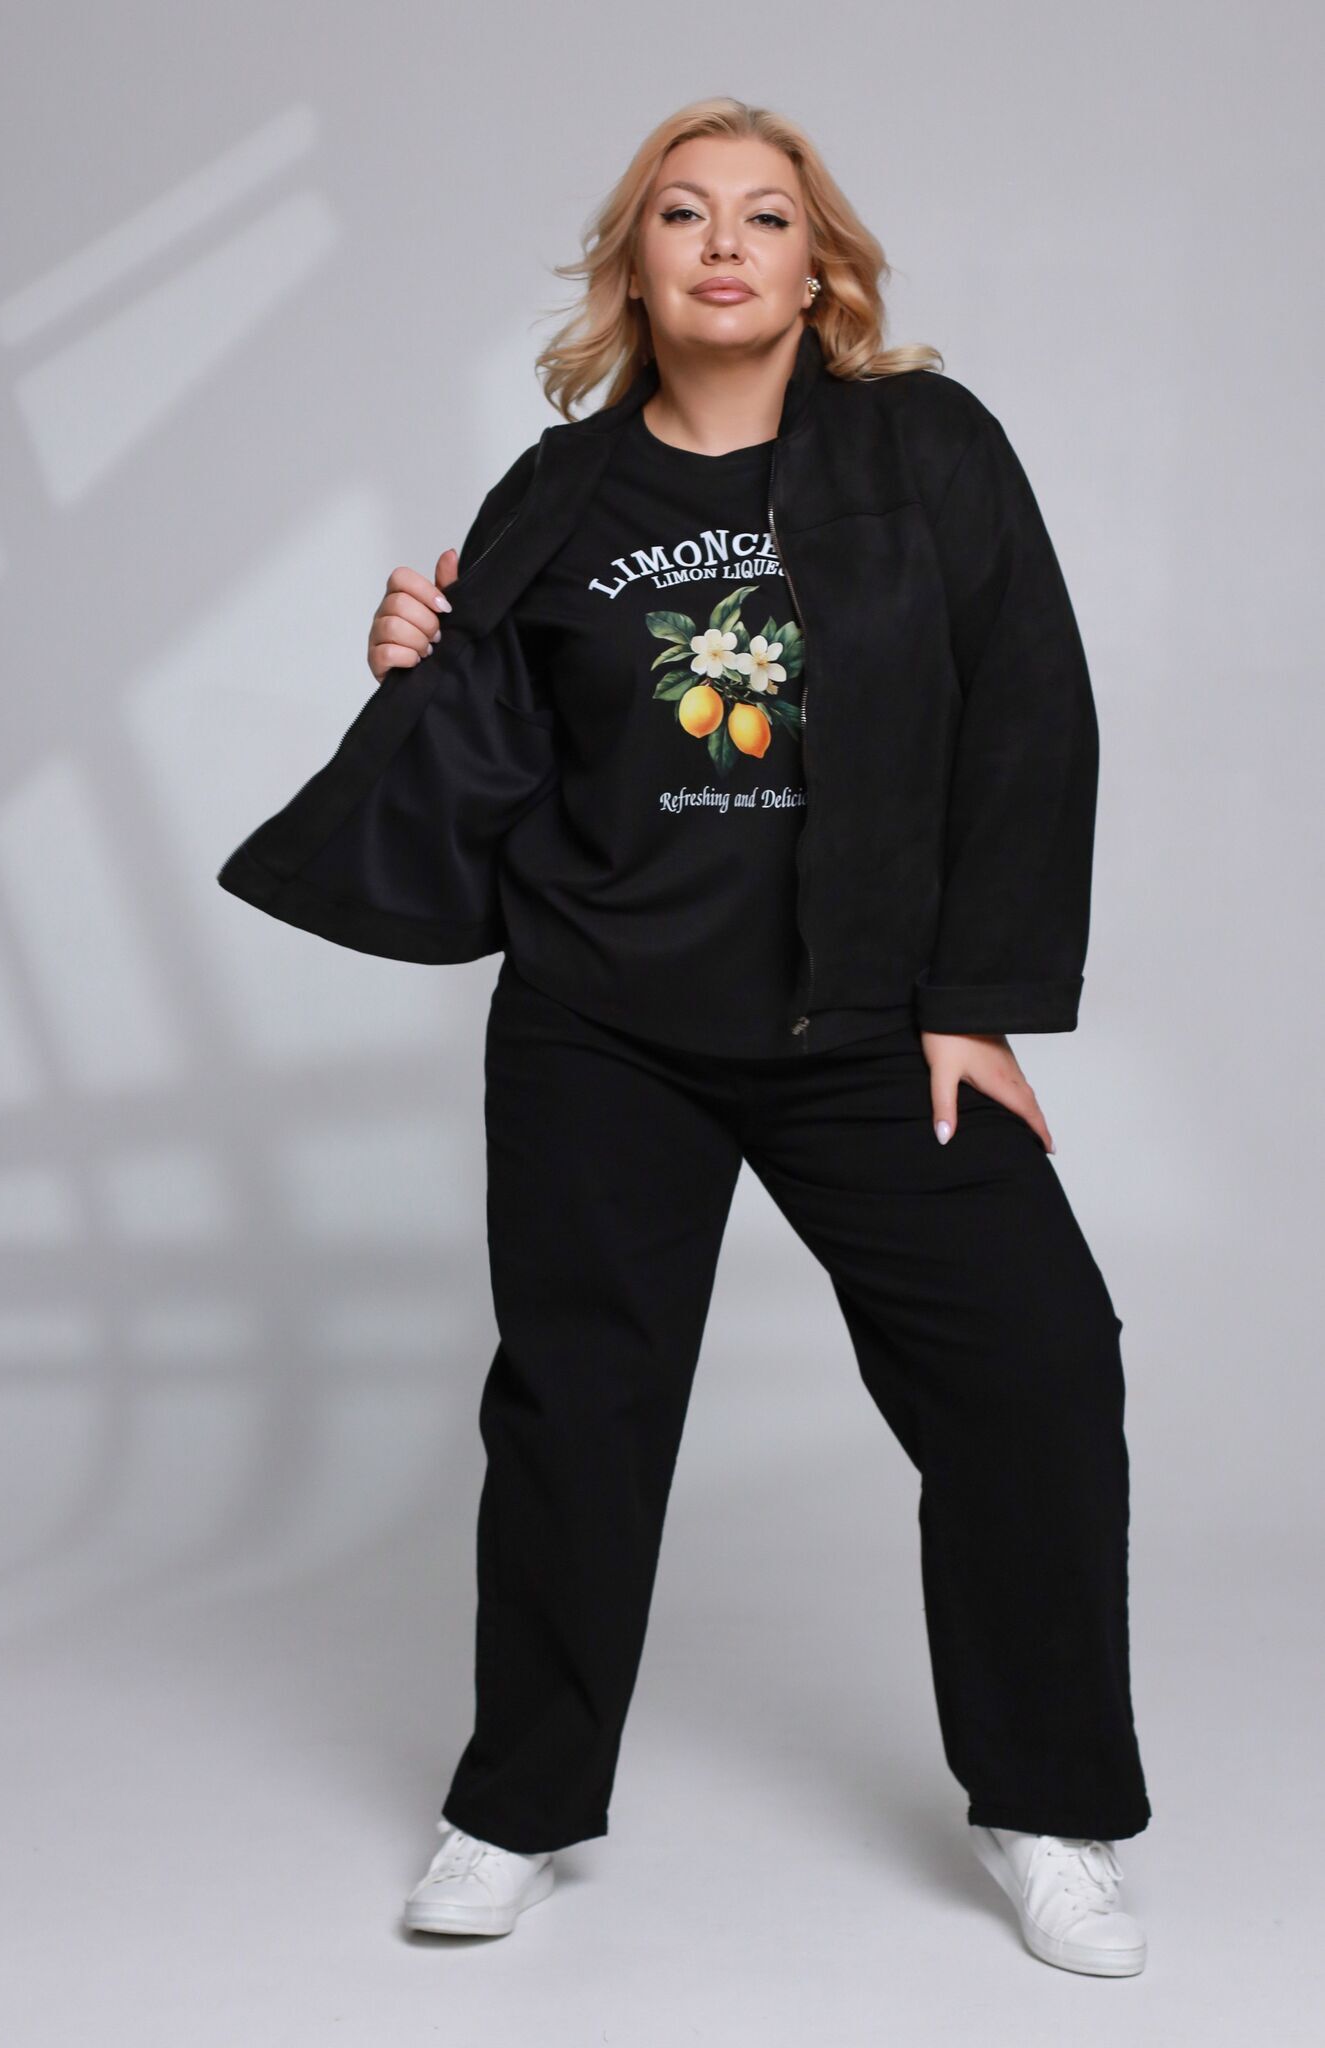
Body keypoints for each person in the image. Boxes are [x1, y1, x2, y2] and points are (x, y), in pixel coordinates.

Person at [217, 98, 1152, 1977]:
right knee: (578, 1414)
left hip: (867, 1022)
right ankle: (514, 1807)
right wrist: (410, 674)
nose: (724, 244)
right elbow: (494, 758)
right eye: (682, 214)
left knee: (1036, 1371)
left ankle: (1044, 1806)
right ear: (632, 265)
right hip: (601, 1026)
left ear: (820, 269)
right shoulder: (557, 492)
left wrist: (973, 1002)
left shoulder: (926, 450)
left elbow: (1027, 710)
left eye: (765, 217)